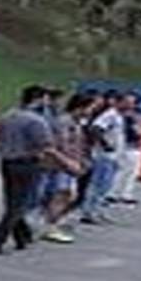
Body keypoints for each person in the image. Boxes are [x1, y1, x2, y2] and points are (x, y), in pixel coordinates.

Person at [0, 86, 54, 256]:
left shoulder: (7, 116)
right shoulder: (36, 121)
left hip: (7, 161)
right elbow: (45, 144)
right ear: (38, 99)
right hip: (27, 163)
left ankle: (22, 236)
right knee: (18, 206)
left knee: (12, 201)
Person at [40, 93, 95, 244]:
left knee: (66, 195)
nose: (91, 111)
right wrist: (71, 162)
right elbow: (63, 145)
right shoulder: (64, 122)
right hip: (61, 165)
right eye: (90, 107)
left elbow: (77, 145)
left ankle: (51, 223)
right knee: (60, 195)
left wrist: (82, 160)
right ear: (80, 107)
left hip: (69, 164)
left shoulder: (76, 123)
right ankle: (49, 227)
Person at [81, 90, 126, 225]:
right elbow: (96, 128)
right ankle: (89, 211)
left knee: (106, 186)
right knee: (98, 184)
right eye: (125, 102)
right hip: (105, 156)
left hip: (114, 156)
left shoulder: (118, 116)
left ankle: (98, 210)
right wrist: (105, 144)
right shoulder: (110, 115)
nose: (129, 105)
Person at [110, 92, 141, 205]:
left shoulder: (125, 116)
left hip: (128, 146)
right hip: (131, 146)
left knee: (124, 171)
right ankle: (122, 193)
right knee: (129, 171)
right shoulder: (130, 117)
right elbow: (136, 132)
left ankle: (117, 192)